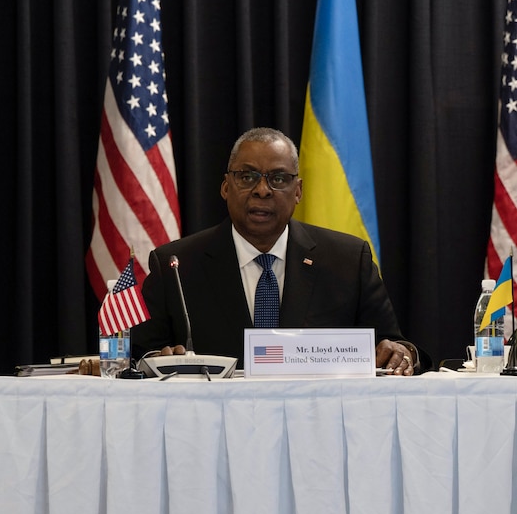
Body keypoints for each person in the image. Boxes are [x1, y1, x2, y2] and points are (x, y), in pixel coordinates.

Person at [132, 127, 430, 375]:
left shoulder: (348, 260)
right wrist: (158, 359)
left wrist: (402, 354)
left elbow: (394, 346)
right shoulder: (176, 264)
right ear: (226, 187)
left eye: (278, 179)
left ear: (298, 191)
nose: (262, 190)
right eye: (247, 177)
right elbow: (138, 358)